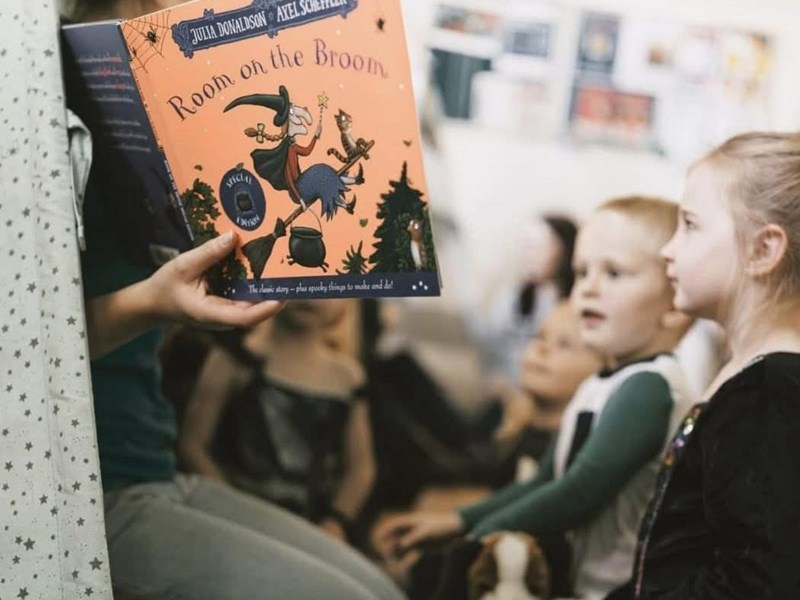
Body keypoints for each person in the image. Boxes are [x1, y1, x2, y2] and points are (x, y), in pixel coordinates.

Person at [65, 1, 407, 599]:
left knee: (381, 589)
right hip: (86, 493)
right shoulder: (40, 96)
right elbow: (21, 351)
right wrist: (157, 302)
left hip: (152, 462)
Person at [375, 196, 696, 600]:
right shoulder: (603, 382)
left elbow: (578, 492)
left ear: (673, 307)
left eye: (613, 273)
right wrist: (456, 521)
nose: (588, 289)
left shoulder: (650, 387)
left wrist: (476, 537)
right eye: (581, 273)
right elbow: (547, 479)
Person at [607, 132, 800, 599]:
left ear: (763, 251)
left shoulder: (768, 391)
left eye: (690, 225)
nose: (668, 250)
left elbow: (755, 584)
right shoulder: (751, 375)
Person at [178, 299, 376, 546]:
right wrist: (229, 504)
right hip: (236, 515)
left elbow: (360, 468)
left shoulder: (348, 377)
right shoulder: (235, 358)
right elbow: (193, 444)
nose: (311, 293)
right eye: (296, 276)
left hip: (310, 523)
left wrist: (335, 521)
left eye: (330, 284)